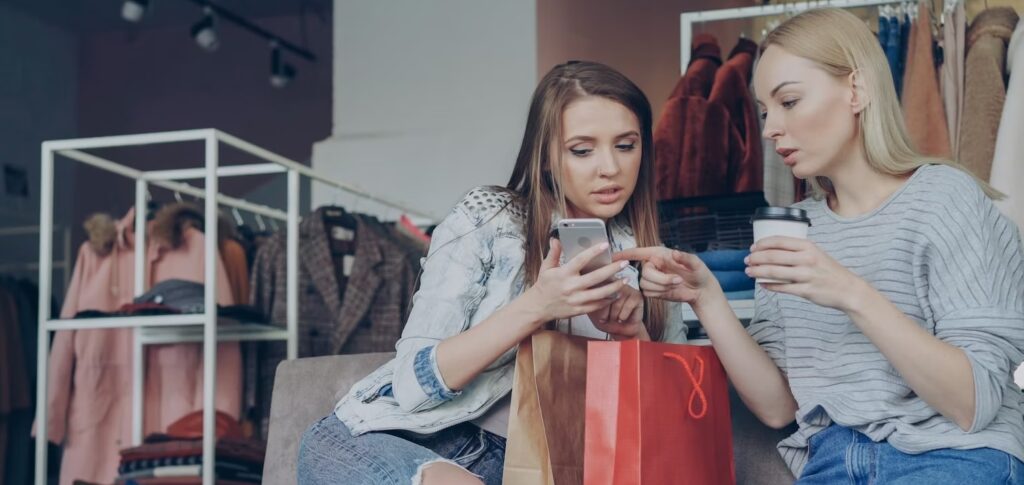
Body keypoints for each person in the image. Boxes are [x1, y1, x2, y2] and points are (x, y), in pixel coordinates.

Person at [619, 8, 1024, 484]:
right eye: (765, 111)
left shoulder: (945, 198)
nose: (770, 129)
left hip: (952, 455)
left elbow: (972, 403)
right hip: (831, 460)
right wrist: (705, 296)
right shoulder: (795, 228)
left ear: (857, 90)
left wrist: (849, 291)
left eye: (789, 101)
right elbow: (777, 409)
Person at [296, 60, 688, 485]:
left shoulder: (651, 263)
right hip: (415, 441)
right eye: (582, 150)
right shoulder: (488, 222)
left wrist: (634, 336)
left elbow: (675, 430)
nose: (609, 167)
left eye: (626, 146)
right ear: (545, 159)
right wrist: (537, 306)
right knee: (325, 446)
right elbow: (411, 384)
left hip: (543, 466)